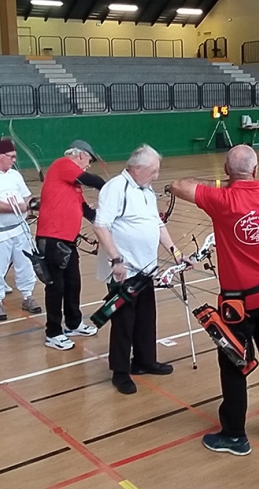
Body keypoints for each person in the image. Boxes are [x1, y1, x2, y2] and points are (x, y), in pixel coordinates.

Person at [169, 144, 259, 456]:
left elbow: (178, 185)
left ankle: (235, 435)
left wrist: (225, 185)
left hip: (237, 307)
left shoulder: (221, 199)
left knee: (234, 364)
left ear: (226, 171)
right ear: (256, 170)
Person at [93, 144, 180, 394]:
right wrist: (116, 260)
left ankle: (145, 360)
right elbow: (101, 226)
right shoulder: (115, 189)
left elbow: (157, 224)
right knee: (123, 322)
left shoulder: (146, 190)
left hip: (146, 269)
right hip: (124, 270)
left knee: (145, 317)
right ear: (138, 168)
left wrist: (175, 253)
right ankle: (120, 372)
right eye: (153, 171)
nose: (156, 176)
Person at [36, 140, 106, 350]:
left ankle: (74, 323)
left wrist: (105, 220)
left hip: (67, 240)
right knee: (56, 287)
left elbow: (84, 208)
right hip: (52, 238)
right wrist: (111, 186)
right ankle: (53, 333)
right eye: (89, 160)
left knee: (73, 283)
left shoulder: (72, 185)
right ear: (80, 155)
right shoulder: (63, 165)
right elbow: (91, 179)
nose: (89, 165)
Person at [0, 139, 41, 321]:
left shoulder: (14, 175)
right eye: (11, 157)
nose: (13, 160)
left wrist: (35, 204)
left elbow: (27, 198)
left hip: (21, 229)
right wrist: (17, 208)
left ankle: (27, 297)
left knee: (26, 265)